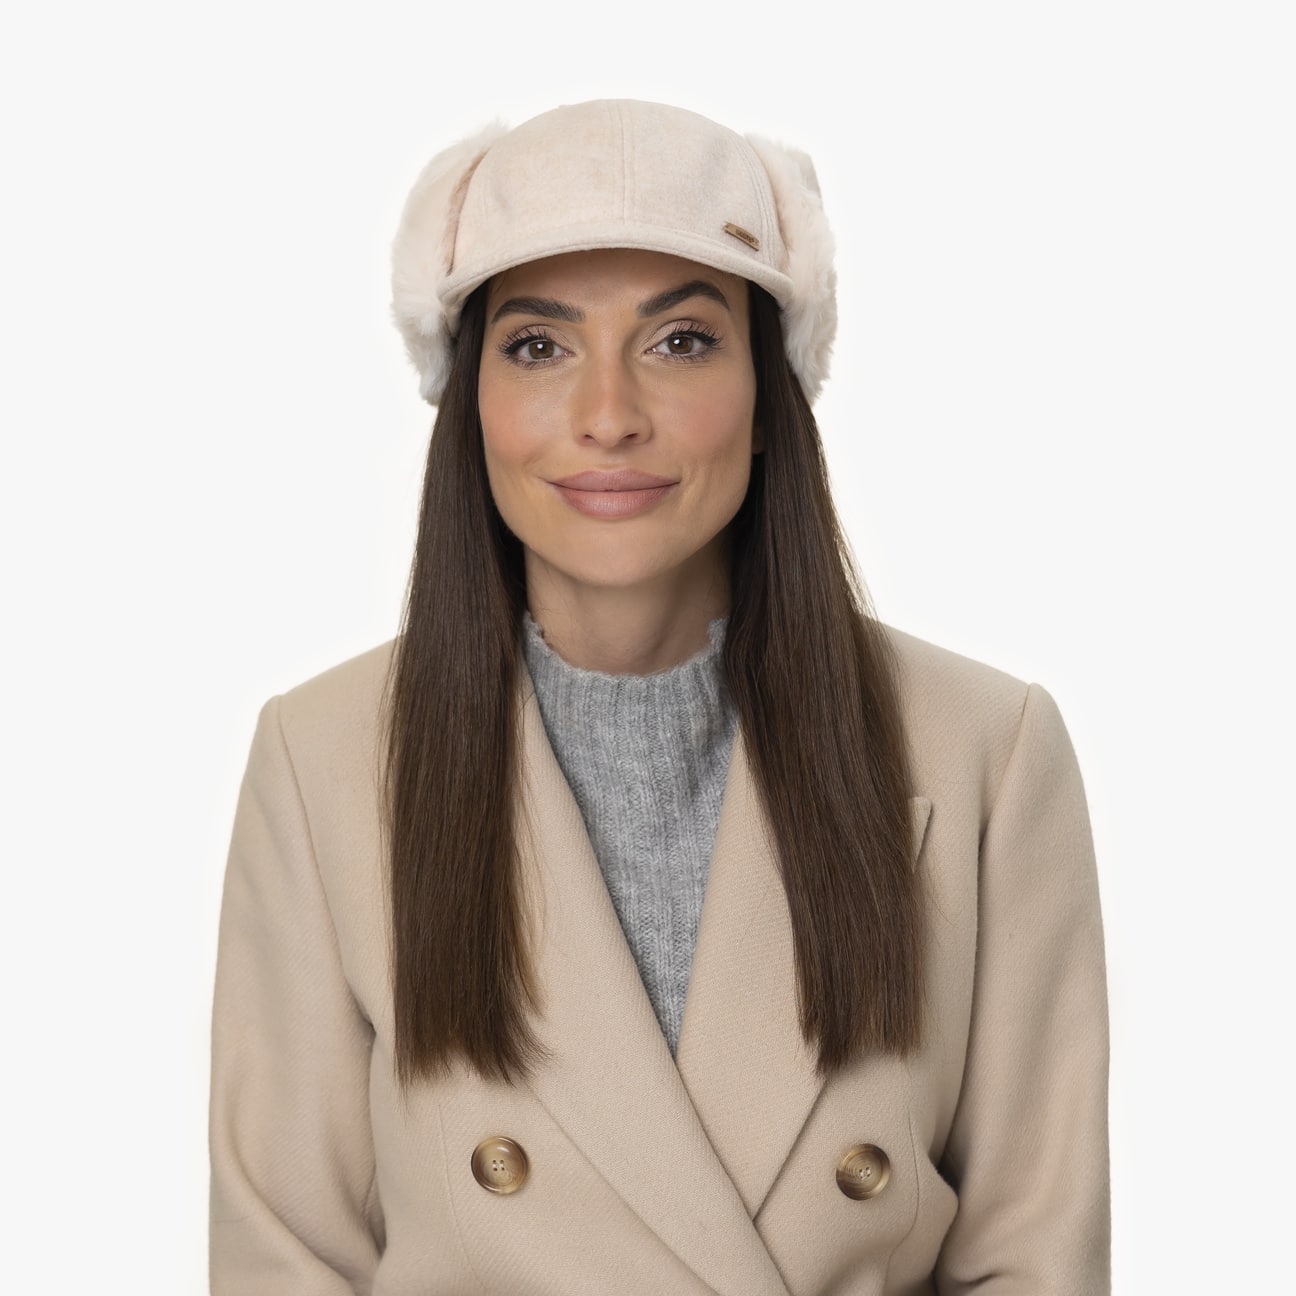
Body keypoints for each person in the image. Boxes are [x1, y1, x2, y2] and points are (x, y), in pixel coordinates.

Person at [208, 99, 1110, 1294]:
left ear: (770, 392)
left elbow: (1033, 1258)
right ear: (468, 400)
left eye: (681, 341)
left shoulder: (986, 753)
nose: (609, 417)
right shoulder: (323, 763)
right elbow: (285, 1260)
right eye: (539, 347)